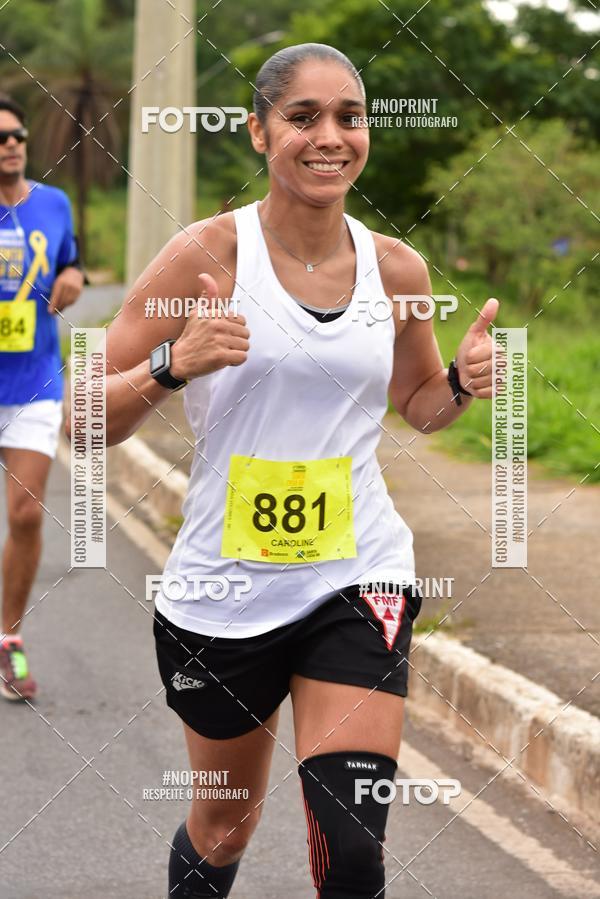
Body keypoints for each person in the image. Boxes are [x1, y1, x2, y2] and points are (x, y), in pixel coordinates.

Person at [100, 44, 498, 898]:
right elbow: (84, 415)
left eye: (349, 117)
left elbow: (418, 403)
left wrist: (462, 383)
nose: (330, 137)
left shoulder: (396, 268)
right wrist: (172, 364)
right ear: (258, 132)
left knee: (353, 844)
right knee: (223, 824)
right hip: (224, 589)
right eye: (303, 117)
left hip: (358, 573)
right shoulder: (206, 255)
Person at [0, 96, 85, 701]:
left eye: (17, 134)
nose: (10, 143)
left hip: (34, 382)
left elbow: (72, 262)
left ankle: (8, 640)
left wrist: (74, 278)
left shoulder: (53, 203)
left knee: (26, 514)